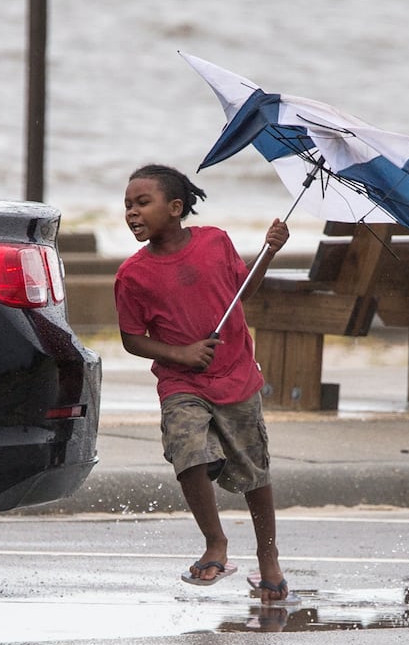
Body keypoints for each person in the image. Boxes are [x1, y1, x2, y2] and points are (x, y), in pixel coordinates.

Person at [113, 163, 297, 603]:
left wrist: (268, 252)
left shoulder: (215, 241)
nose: (132, 213)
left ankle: (268, 558)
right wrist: (181, 354)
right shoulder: (132, 275)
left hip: (235, 375)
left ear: (176, 208)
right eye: (127, 205)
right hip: (182, 381)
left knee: (255, 471)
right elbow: (132, 338)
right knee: (186, 448)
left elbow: (242, 291)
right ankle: (215, 543)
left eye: (143, 203)